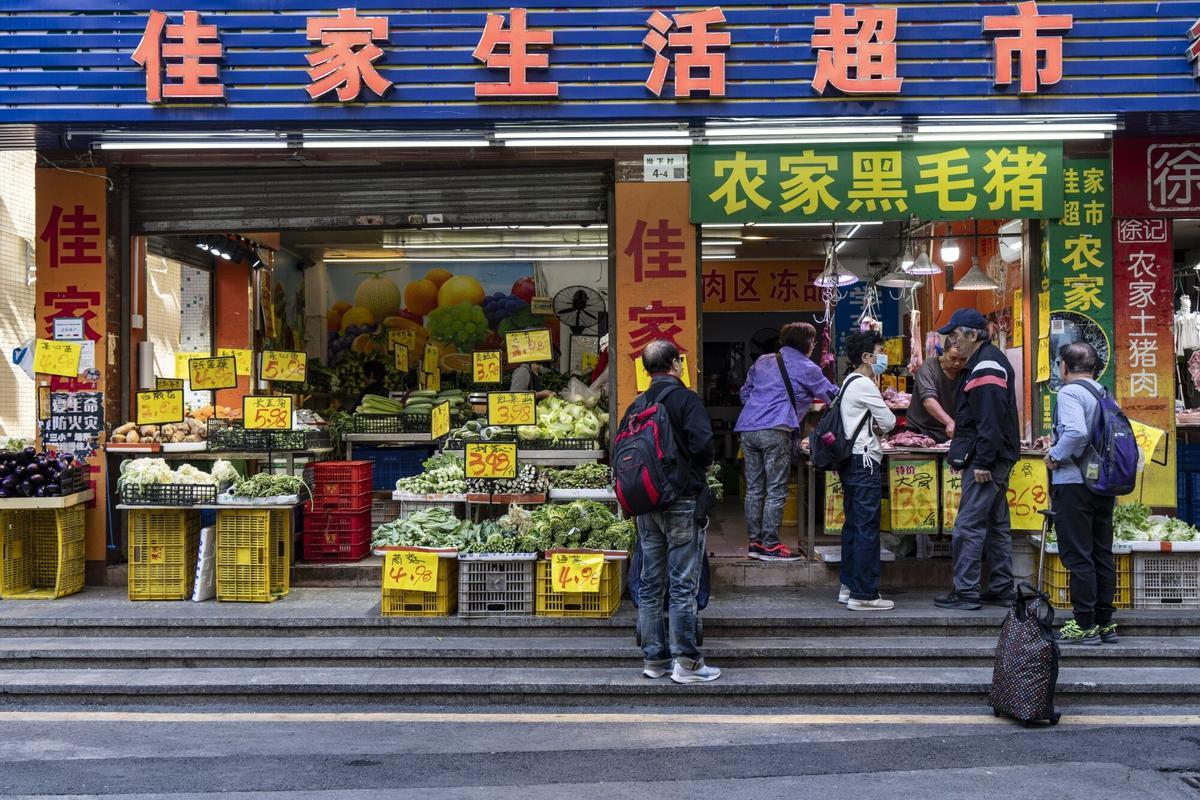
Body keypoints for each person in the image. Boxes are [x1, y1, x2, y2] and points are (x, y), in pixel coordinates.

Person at [625, 340, 719, 684]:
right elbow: (704, 446)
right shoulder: (686, 400)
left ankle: (654, 661)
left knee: (650, 583)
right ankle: (688, 663)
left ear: (647, 369)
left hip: (646, 504)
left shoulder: (637, 404)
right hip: (681, 501)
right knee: (682, 585)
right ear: (676, 364)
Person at [935, 308, 1020, 611]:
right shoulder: (986, 360)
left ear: (972, 334)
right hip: (995, 457)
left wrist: (983, 461)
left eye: (956, 334)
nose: (953, 341)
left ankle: (966, 591)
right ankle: (1000, 587)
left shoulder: (985, 365)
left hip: (987, 460)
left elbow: (990, 420)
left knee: (968, 525)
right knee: (996, 525)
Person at [735, 322, 837, 562]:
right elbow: (832, 396)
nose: (813, 346)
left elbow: (745, 393)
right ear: (806, 343)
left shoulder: (763, 361)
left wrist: (760, 410)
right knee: (776, 489)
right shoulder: (807, 367)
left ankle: (755, 543)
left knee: (754, 489)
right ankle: (770, 545)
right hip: (776, 428)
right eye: (812, 341)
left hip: (748, 428)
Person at [1047, 342, 1119, 645]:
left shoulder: (1069, 392)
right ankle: (1104, 622)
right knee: (1101, 552)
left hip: (1075, 485)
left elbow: (1076, 432)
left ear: (1065, 366)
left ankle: (1084, 623)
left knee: (1078, 555)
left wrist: (1055, 454)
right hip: (1103, 484)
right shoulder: (1103, 392)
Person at [837, 330, 897, 611]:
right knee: (866, 528)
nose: (883, 355)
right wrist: (878, 424)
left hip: (852, 463)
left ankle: (849, 586)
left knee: (853, 526)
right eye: (880, 350)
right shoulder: (864, 383)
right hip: (864, 462)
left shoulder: (848, 381)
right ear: (866, 357)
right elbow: (888, 420)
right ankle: (864, 594)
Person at [905, 337, 967, 443]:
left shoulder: (964, 372)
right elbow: (928, 400)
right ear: (944, 352)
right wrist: (949, 422)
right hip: (921, 431)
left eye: (962, 359)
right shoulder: (929, 367)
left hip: (948, 432)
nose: (957, 363)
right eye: (953, 358)